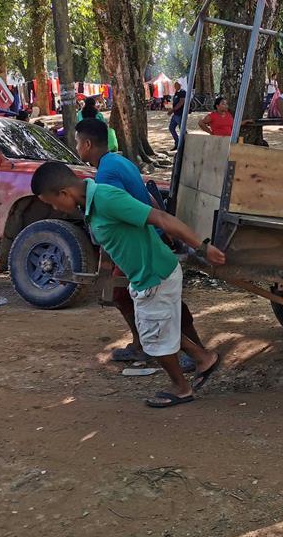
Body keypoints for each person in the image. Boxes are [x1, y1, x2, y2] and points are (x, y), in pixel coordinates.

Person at [31, 161, 223, 408]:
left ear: (64, 193)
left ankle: (181, 388)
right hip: (143, 275)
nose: (55, 209)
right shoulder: (89, 205)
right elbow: (112, 239)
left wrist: (203, 247)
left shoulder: (106, 198)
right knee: (155, 329)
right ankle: (203, 358)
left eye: (52, 202)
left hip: (155, 274)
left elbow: (161, 217)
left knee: (153, 340)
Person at [75, 117, 207, 370]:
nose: (77, 147)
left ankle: (158, 347)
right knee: (147, 298)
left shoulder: (106, 174)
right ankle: (149, 344)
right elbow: (147, 198)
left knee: (127, 296)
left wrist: (110, 255)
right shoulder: (119, 160)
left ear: (88, 144)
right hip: (149, 235)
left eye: (77, 142)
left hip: (138, 243)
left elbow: (119, 213)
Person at [168, 81, 186, 151]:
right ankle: (177, 143)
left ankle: (185, 144)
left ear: (180, 85)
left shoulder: (182, 92)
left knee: (183, 130)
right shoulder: (176, 92)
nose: (175, 86)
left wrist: (172, 110)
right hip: (175, 114)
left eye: (176, 85)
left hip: (180, 114)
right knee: (171, 128)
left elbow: (181, 102)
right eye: (174, 85)